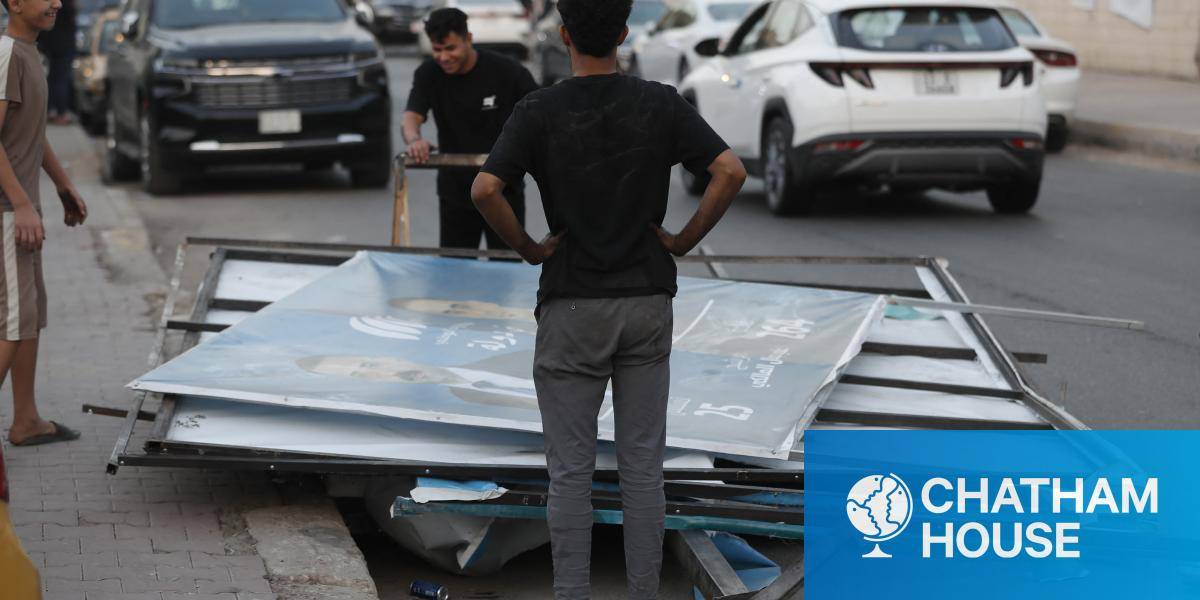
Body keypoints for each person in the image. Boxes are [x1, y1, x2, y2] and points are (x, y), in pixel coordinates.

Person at [469, 0, 746, 596]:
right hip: (647, 298)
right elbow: (730, 171)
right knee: (643, 470)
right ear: (624, 32)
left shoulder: (538, 110)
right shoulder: (660, 102)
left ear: (564, 35)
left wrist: (529, 248)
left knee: (568, 472)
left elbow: (486, 187)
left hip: (571, 305)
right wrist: (679, 240)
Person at [0, 0, 89, 446]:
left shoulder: (30, 52)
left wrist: (62, 185)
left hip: (22, 210)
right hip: (6, 214)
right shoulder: (6, 54)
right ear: (14, 3)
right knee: (14, 322)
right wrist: (20, 205)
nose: (56, 2)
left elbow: (31, 130)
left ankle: (27, 420)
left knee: (29, 317)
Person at [403, 8, 539, 252]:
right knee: (455, 272)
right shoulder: (428, 74)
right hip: (455, 194)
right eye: (437, 50)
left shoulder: (507, 72)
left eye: (451, 48)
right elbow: (412, 116)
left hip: (503, 194)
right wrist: (415, 139)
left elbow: (540, 115)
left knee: (506, 271)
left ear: (469, 39)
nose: (444, 57)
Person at [34, 0, 72, 125]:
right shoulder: (65, 5)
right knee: (60, 80)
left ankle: (50, 110)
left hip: (48, 45)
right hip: (62, 46)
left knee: (50, 79)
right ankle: (60, 112)